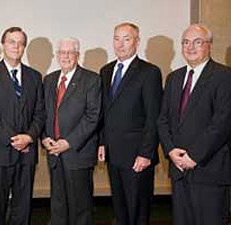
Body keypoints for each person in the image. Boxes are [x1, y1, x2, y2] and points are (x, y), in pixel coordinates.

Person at [158, 24, 231, 225]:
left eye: (197, 42)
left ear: (209, 45)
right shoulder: (174, 78)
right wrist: (171, 151)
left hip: (209, 171)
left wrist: (194, 156)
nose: (190, 47)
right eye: (186, 42)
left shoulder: (224, 76)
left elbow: (222, 123)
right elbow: (163, 119)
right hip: (178, 170)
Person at [97, 22, 162, 225]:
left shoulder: (149, 72)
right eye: (117, 38)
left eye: (126, 39)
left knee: (138, 211)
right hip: (113, 154)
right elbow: (104, 112)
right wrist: (101, 142)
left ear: (137, 41)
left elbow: (154, 116)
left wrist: (146, 153)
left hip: (137, 156)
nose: (120, 44)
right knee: (120, 209)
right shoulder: (106, 70)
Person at [0, 27, 45, 225]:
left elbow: (40, 113)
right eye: (11, 41)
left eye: (20, 42)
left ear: (24, 47)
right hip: (0, 152)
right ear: (3, 45)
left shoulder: (35, 76)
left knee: (22, 207)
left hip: (27, 153)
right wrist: (13, 140)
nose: (16, 46)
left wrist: (29, 137)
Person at [42, 37, 101, 225]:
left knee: (80, 209)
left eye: (70, 52)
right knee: (58, 208)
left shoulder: (91, 79)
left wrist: (68, 143)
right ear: (56, 55)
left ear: (77, 54)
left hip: (77, 154)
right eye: (62, 52)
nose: (65, 56)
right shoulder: (49, 80)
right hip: (54, 154)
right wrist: (44, 138)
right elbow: (43, 113)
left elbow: (93, 117)